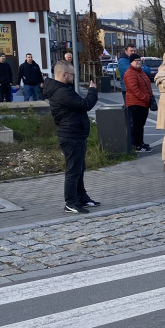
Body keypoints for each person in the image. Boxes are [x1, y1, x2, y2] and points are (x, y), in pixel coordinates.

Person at [44, 61, 99, 214]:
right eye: (72, 75)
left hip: (76, 134)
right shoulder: (61, 92)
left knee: (80, 167)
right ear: (64, 75)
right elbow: (84, 104)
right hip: (70, 135)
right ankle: (70, 202)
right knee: (73, 170)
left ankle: (81, 197)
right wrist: (92, 91)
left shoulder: (63, 89)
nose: (74, 78)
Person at [123, 54, 154, 152]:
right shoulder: (130, 73)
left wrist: (150, 97)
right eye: (136, 60)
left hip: (143, 103)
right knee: (137, 125)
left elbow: (147, 85)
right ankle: (138, 145)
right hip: (136, 104)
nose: (138, 62)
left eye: (139, 60)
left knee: (140, 125)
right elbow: (134, 90)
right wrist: (145, 98)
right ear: (131, 62)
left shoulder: (140, 72)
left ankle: (141, 142)